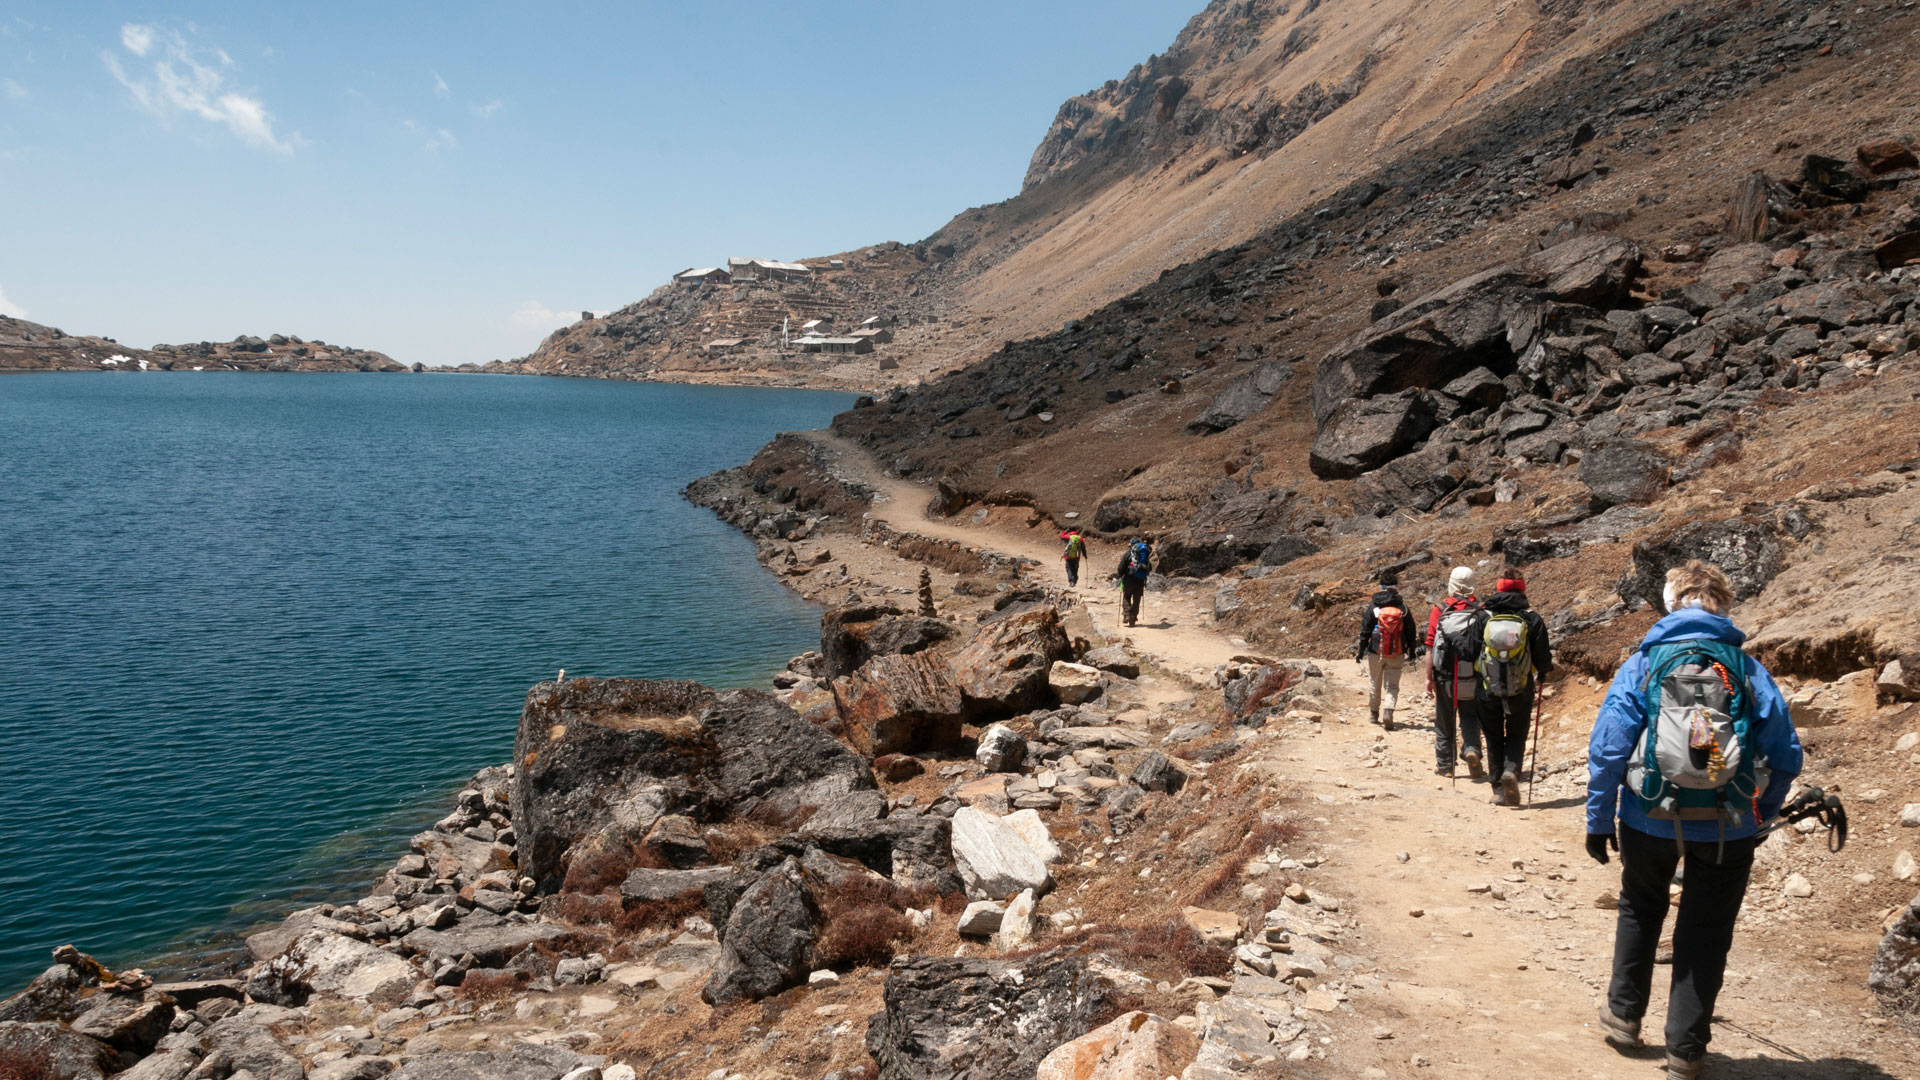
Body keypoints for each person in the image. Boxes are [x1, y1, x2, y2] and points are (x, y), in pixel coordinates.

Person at [1586, 561, 1802, 1080]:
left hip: (1647, 814)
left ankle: (1623, 1015)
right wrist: (1758, 817)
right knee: (1706, 931)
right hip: (1729, 825)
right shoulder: (1747, 668)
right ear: (1724, 604)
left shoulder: (1644, 663)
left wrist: (1598, 818)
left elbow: (1609, 747)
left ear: (1669, 602)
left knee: (1640, 906)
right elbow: (1786, 755)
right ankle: (1685, 1050)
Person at [1475, 571, 1552, 806]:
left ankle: (1498, 789)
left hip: (1487, 687)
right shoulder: (1532, 618)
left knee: (1493, 736)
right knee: (1517, 734)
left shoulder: (1484, 617)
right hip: (1521, 686)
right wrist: (1542, 672)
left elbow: (1469, 651)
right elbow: (1542, 658)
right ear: (1523, 589)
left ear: (1498, 589)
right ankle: (1511, 771)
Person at [1425, 565, 1486, 778]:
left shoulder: (1440, 610)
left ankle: (1445, 766)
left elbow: (1431, 646)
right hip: (1473, 676)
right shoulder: (1481, 610)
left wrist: (1428, 677)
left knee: (1444, 719)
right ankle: (1472, 749)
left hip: (1445, 677)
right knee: (1470, 716)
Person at [1354, 570, 1417, 731]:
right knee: (1392, 685)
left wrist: (1361, 651)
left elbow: (1365, 631)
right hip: (1397, 651)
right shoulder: (1402, 607)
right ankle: (1388, 710)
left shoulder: (1374, 606)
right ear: (1396, 587)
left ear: (1381, 586)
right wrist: (1412, 651)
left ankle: (1374, 714)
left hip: (1376, 650)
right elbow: (1411, 631)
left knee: (1375, 681)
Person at [1115, 538, 1153, 627]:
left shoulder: (1128, 554)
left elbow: (1121, 568)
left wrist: (1120, 575)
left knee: (1126, 596)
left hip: (1129, 579)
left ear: (1131, 545)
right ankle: (1133, 617)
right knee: (1137, 599)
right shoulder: (1144, 556)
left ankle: (1127, 614)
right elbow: (1149, 567)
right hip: (1140, 580)